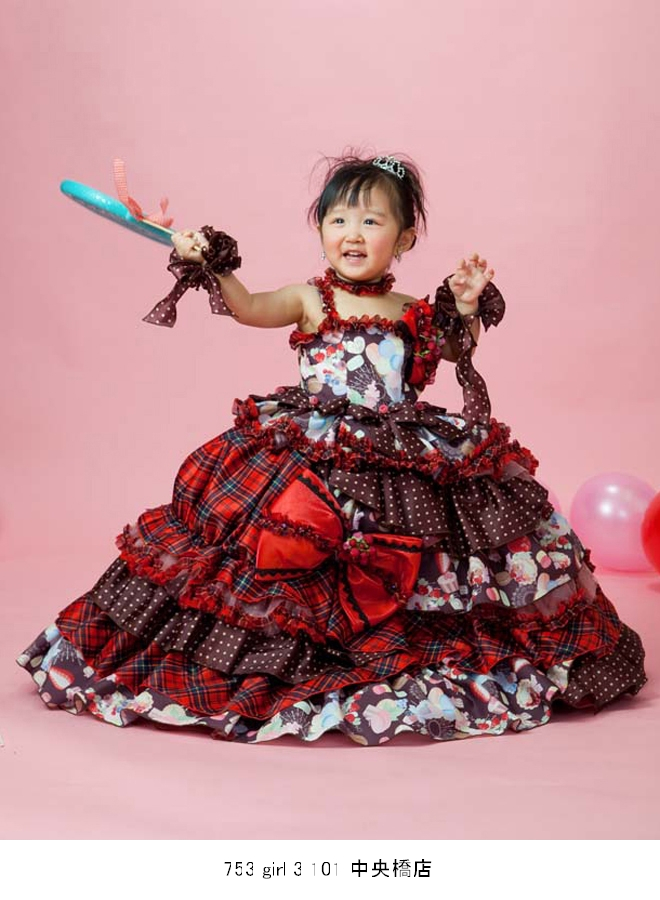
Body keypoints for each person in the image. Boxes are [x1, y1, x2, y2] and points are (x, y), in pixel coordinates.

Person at [16, 152, 647, 745]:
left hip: (399, 452)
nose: (353, 233)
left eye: (372, 221)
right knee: (287, 556)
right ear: (320, 229)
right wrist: (211, 262)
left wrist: (464, 304)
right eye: (338, 219)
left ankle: (398, 654)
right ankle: (286, 661)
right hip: (314, 447)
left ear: (404, 238)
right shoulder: (309, 297)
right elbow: (247, 306)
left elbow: (457, 348)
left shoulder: (413, 310)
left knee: (420, 559)